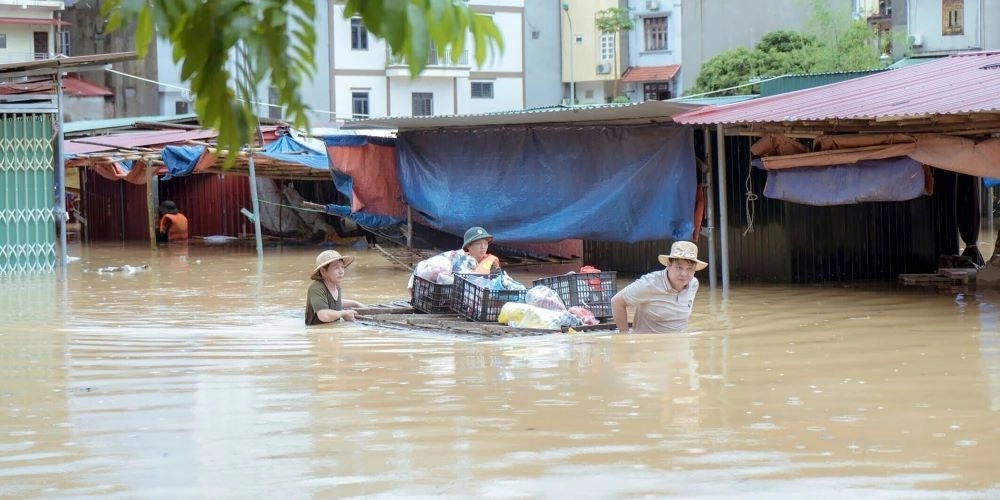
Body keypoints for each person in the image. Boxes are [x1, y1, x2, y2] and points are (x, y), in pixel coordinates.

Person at [611, 240, 707, 333]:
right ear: (669, 265)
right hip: (650, 347)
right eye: (679, 267)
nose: (684, 274)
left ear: (695, 269)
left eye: (689, 269)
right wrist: (624, 335)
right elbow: (617, 301)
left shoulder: (693, 284)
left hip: (680, 345)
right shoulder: (649, 283)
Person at [305, 249, 366, 325]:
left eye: (342, 267)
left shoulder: (336, 285)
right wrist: (344, 313)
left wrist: (355, 303)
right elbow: (323, 315)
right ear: (323, 271)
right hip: (318, 333)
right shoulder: (316, 287)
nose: (341, 271)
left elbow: (334, 302)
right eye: (336, 268)